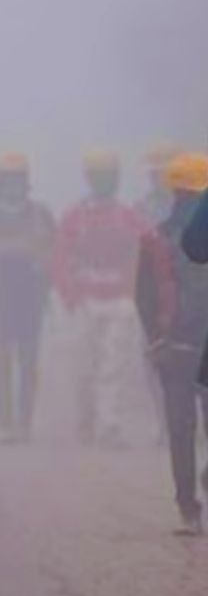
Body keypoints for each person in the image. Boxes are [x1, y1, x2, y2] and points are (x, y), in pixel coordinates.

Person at [52, 151, 151, 447]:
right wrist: (70, 295)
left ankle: (109, 426)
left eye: (109, 176)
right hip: (85, 302)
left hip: (120, 302)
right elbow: (59, 259)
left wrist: (136, 293)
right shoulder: (75, 217)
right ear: (90, 179)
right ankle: (86, 422)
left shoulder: (127, 217)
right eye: (99, 176)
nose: (104, 182)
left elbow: (147, 252)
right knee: (84, 367)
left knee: (112, 367)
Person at [135, 152, 208, 535]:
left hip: (175, 346)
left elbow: (142, 296)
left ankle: (189, 511)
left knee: (181, 429)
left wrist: (156, 340)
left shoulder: (155, 238)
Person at [0, 154, 56, 444]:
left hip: (31, 301)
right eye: (8, 180)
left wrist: (44, 281)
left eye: (18, 179)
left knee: (29, 364)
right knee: (2, 363)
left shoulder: (42, 216)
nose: (13, 186)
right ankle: (6, 423)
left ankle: (24, 424)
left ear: (26, 182)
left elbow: (56, 253)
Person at [135, 144, 182, 445]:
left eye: (163, 173)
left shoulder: (191, 205)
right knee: (154, 360)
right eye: (154, 173)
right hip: (154, 291)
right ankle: (165, 423)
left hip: (187, 290)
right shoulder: (140, 209)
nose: (158, 178)